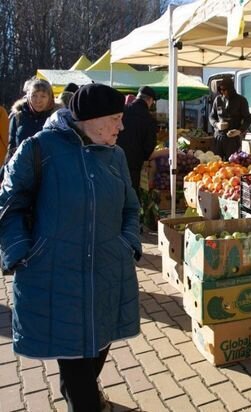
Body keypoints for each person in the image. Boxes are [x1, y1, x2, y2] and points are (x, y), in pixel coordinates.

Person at [0, 83, 141, 412]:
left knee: (98, 347)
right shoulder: (39, 149)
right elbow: (8, 206)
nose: (122, 126)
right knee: (79, 373)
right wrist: (23, 252)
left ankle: (81, 393)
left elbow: (131, 208)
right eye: (117, 118)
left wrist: (128, 244)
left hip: (107, 272)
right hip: (55, 276)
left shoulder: (116, 156)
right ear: (92, 120)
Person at [116, 86, 158, 195]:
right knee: (130, 197)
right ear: (149, 100)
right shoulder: (149, 120)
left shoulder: (122, 110)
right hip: (133, 167)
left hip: (114, 161)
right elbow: (149, 149)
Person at [209, 76, 251, 160]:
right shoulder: (218, 99)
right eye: (220, 90)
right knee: (216, 163)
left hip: (232, 138)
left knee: (232, 165)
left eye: (224, 90)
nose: (222, 92)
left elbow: (248, 119)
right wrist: (216, 124)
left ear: (231, 89)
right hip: (218, 137)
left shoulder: (241, 100)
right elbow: (211, 116)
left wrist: (239, 131)